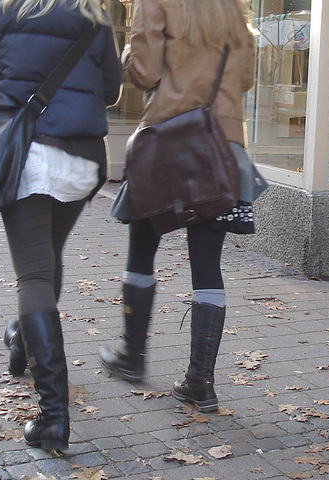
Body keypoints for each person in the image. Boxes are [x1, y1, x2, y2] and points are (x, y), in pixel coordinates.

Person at [0, 0, 121, 451]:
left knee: (33, 274)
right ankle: (24, 343)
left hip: (23, 149)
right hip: (82, 157)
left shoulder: (2, 7)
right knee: (49, 258)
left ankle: (53, 416)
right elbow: (110, 89)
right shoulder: (94, 12)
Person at [99, 0, 265, 413]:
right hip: (220, 144)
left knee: (142, 251)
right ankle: (200, 382)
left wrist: (127, 54)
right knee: (208, 266)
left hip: (166, 141)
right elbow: (244, 80)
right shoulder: (234, 10)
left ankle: (133, 356)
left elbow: (144, 72)